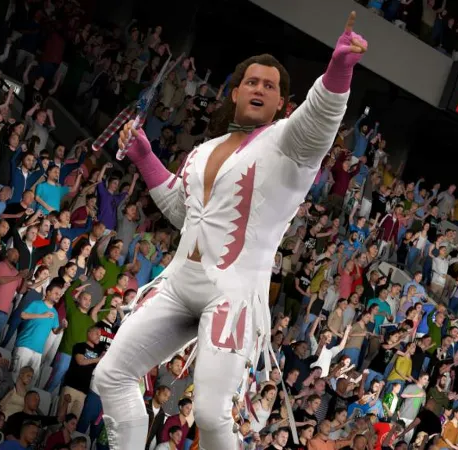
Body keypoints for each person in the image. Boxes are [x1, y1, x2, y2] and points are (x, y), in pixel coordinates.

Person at [91, 12, 367, 448]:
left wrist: (339, 68)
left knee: (210, 413)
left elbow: (320, 117)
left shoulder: (289, 142)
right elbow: (185, 214)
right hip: (178, 283)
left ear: (282, 104)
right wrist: (144, 156)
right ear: (235, 92)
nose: (259, 89)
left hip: (232, 294)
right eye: (252, 82)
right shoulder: (204, 150)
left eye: (270, 86)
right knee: (110, 375)